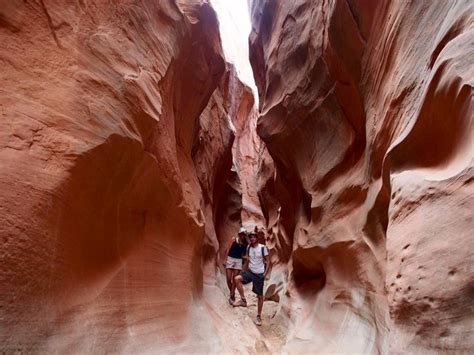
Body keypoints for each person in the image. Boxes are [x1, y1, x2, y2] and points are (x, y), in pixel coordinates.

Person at [233, 229, 271, 326]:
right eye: (251, 237)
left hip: (259, 274)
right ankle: (243, 300)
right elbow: (248, 261)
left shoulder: (263, 248)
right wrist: (243, 271)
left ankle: (258, 316)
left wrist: (264, 274)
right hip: (250, 272)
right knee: (237, 279)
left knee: (259, 296)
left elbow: (268, 261)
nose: (252, 238)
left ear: (257, 238)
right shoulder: (249, 248)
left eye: (254, 237)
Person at [223, 227, 248, 304]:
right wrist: (225, 259)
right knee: (228, 279)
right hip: (230, 259)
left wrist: (246, 258)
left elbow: (243, 255)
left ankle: (232, 295)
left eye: (244, 234)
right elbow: (227, 249)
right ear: (239, 234)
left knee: (234, 280)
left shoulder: (245, 244)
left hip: (238, 261)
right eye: (241, 234)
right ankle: (232, 293)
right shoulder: (234, 239)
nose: (242, 236)